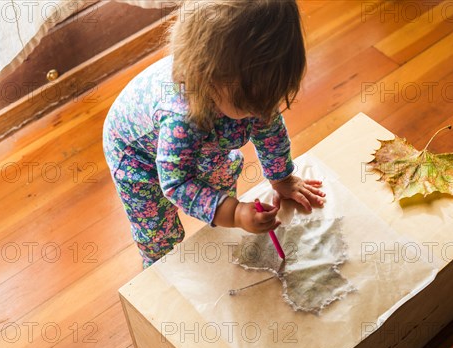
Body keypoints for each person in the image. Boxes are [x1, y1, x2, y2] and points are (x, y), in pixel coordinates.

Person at [102, 0, 325, 269]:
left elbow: (270, 130)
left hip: (200, 136)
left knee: (221, 177)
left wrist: (282, 177)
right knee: (159, 233)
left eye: (270, 101)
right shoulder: (182, 118)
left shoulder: (248, 84)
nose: (262, 112)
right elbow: (177, 183)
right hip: (135, 156)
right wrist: (235, 213)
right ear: (206, 77)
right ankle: (157, 272)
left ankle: (222, 212)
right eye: (249, 106)